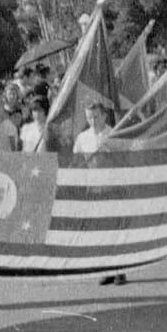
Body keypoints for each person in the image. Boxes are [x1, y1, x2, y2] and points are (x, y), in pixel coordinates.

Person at [73, 103, 125, 285]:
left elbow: (124, 161)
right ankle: (107, 268)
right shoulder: (82, 137)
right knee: (100, 230)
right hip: (93, 188)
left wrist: (110, 153)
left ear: (104, 116)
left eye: (95, 116)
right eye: (89, 117)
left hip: (111, 187)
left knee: (114, 229)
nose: (92, 121)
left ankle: (120, 269)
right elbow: (77, 162)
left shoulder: (113, 134)